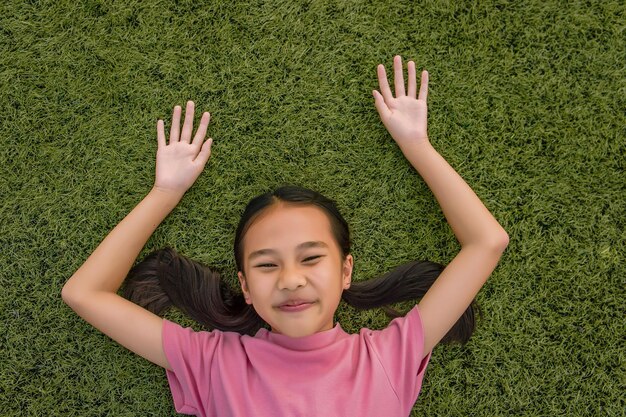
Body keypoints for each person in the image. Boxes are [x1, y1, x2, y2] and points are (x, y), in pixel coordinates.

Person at [62, 55, 509, 417]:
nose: (291, 279)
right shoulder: (213, 362)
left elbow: (488, 242)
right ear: (246, 286)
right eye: (267, 264)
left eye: (311, 258)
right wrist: (164, 192)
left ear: (345, 269)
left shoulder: (390, 356)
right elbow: (84, 293)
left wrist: (418, 146)